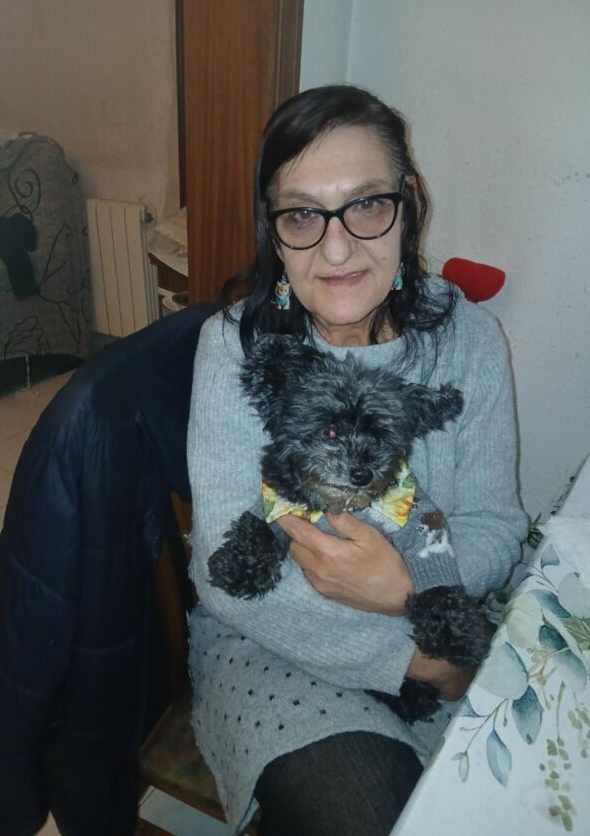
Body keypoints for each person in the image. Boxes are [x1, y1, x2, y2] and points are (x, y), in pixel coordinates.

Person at [187, 85, 527, 835]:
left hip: (439, 620)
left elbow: (496, 526)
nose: (336, 250)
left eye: (367, 205)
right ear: (273, 231)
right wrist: (418, 662)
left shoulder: (469, 339)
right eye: (302, 215)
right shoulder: (234, 348)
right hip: (273, 641)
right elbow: (226, 575)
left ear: (410, 203)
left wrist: (403, 587)